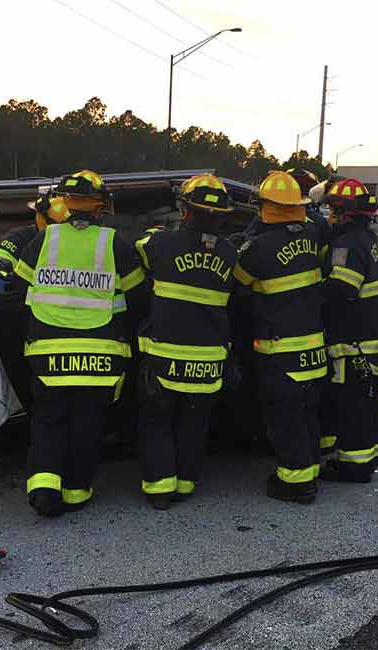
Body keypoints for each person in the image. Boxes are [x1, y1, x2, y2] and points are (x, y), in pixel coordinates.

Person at [13, 170, 148, 517]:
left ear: (66, 203)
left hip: (47, 353)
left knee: (47, 420)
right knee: (87, 423)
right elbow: (139, 295)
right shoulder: (113, 243)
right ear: (101, 207)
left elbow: (17, 287)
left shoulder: (43, 241)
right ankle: (76, 491)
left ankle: (43, 487)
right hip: (98, 354)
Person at [135, 173, 237, 509]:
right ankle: (186, 483)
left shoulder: (159, 244)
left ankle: (160, 490)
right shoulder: (230, 254)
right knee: (194, 424)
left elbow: (139, 252)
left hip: (165, 359)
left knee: (158, 422)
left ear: (184, 209)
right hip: (208, 363)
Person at [234, 170, 327, 504]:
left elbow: (237, 288)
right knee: (307, 413)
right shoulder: (314, 234)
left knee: (285, 419)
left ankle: (296, 483)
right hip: (315, 347)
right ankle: (310, 472)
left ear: (265, 207)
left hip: (280, 350)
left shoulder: (256, 249)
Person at [315, 178, 378, 482]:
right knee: (365, 406)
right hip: (374, 342)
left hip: (355, 346)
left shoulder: (346, 244)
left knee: (355, 406)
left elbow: (341, 290)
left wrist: (307, 294)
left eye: (333, 210)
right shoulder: (370, 241)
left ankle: (355, 466)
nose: (330, 216)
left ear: (346, 214)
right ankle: (364, 459)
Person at [0, 196, 71, 413]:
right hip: (26, 325)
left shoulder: (77, 243)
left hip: (66, 326)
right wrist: (5, 276)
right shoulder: (22, 237)